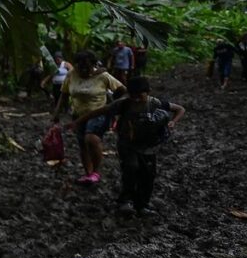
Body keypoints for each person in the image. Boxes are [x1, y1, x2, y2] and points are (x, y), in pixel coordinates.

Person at [68, 76, 184, 217]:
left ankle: (143, 205)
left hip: (148, 146)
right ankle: (125, 201)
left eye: (139, 96)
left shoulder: (154, 103)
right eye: (132, 96)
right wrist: (78, 122)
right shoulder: (123, 104)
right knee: (131, 168)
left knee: (148, 175)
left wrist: (173, 122)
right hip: (127, 144)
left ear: (148, 92)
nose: (135, 99)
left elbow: (180, 109)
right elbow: (99, 111)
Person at [52, 50, 125, 184]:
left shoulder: (103, 76)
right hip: (78, 114)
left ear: (93, 65)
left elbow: (122, 89)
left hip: (98, 113)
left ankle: (96, 171)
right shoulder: (71, 74)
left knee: (91, 139)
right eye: (80, 67)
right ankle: (88, 174)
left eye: (87, 67)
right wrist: (56, 113)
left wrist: (113, 106)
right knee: (82, 145)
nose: (83, 70)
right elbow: (64, 94)